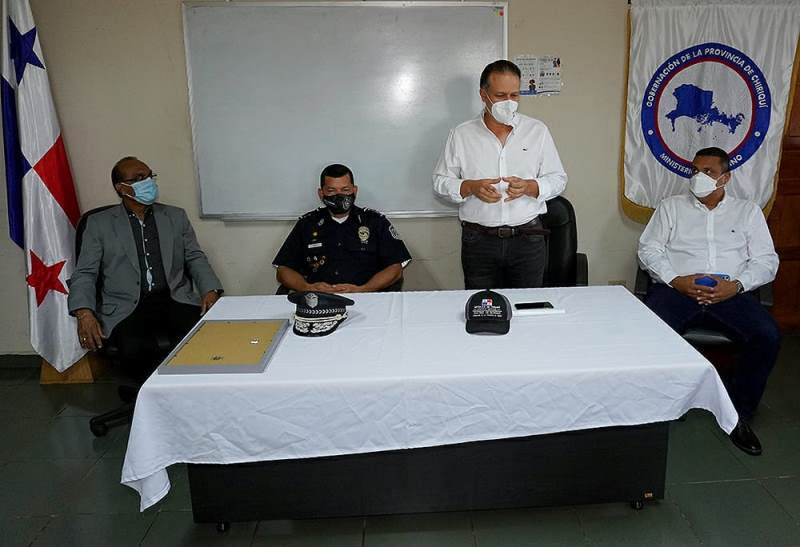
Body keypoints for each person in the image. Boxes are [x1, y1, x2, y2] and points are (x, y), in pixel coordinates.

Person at [638, 147, 780, 456]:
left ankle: (738, 413)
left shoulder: (748, 211)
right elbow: (649, 250)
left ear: (725, 178)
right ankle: (661, 404)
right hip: (678, 290)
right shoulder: (671, 207)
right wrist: (676, 279)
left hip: (729, 293)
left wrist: (736, 285)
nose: (698, 177)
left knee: (766, 335)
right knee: (648, 333)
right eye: (695, 170)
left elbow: (766, 261)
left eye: (708, 172)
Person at [68, 156, 223, 380]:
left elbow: (194, 257)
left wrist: (211, 290)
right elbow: (85, 272)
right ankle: (144, 397)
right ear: (121, 188)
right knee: (134, 349)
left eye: (149, 176)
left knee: (201, 341)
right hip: (125, 305)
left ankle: (185, 394)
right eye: (139, 178)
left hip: (174, 298)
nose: (147, 182)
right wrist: (84, 313)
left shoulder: (175, 216)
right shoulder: (99, 224)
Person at [433, 59, 567, 289]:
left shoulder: (537, 131)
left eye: (514, 95)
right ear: (483, 95)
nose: (508, 103)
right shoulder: (462, 134)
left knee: (527, 304)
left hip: (528, 238)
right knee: (483, 306)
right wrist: (470, 187)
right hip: (479, 242)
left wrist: (531, 187)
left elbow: (558, 178)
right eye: (500, 95)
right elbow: (440, 181)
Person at [273, 163, 412, 293]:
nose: (339, 195)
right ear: (321, 193)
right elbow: (283, 270)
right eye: (331, 190)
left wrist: (363, 289)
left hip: (367, 297)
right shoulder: (307, 224)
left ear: (354, 191)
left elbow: (395, 269)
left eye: (345, 190)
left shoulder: (375, 222)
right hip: (319, 299)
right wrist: (307, 287)